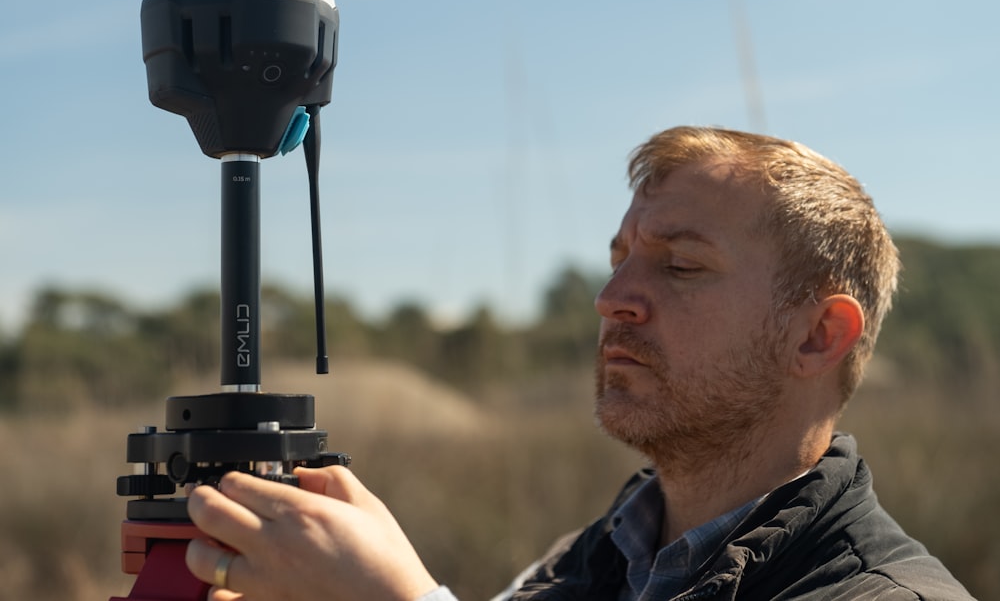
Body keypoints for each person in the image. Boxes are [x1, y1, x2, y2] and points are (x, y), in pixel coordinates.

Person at [184, 126, 974, 600]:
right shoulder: (583, 566)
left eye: (682, 266)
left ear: (817, 335)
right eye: (620, 258)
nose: (613, 298)